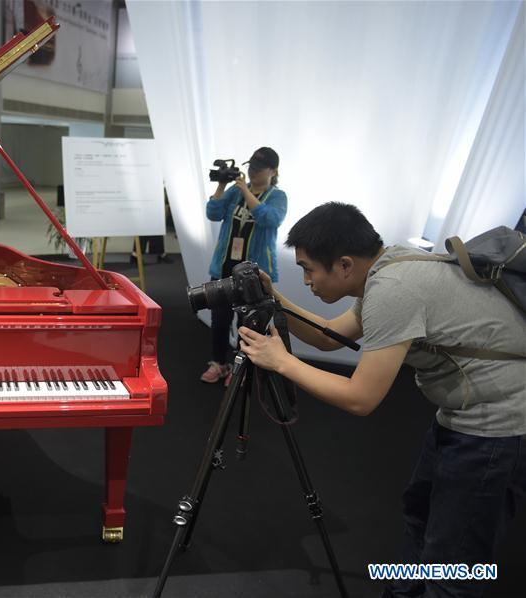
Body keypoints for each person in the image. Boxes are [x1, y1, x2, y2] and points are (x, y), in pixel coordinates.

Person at [237, 202, 526, 598]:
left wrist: (283, 362)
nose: (306, 281)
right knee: (420, 519)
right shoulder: (390, 266)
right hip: (462, 417)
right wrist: (275, 300)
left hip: (497, 427)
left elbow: (361, 398)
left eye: (308, 269)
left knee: (455, 564)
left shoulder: (394, 289)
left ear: (344, 265)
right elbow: (329, 336)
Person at [201, 147, 287, 383]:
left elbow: (270, 219)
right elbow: (213, 213)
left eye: (259, 169)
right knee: (219, 320)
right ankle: (219, 363)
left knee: (246, 325)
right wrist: (221, 185)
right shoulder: (235, 191)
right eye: (252, 167)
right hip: (224, 267)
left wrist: (246, 191)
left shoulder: (277, 196)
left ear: (273, 171)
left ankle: (240, 370)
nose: (253, 172)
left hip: (253, 274)